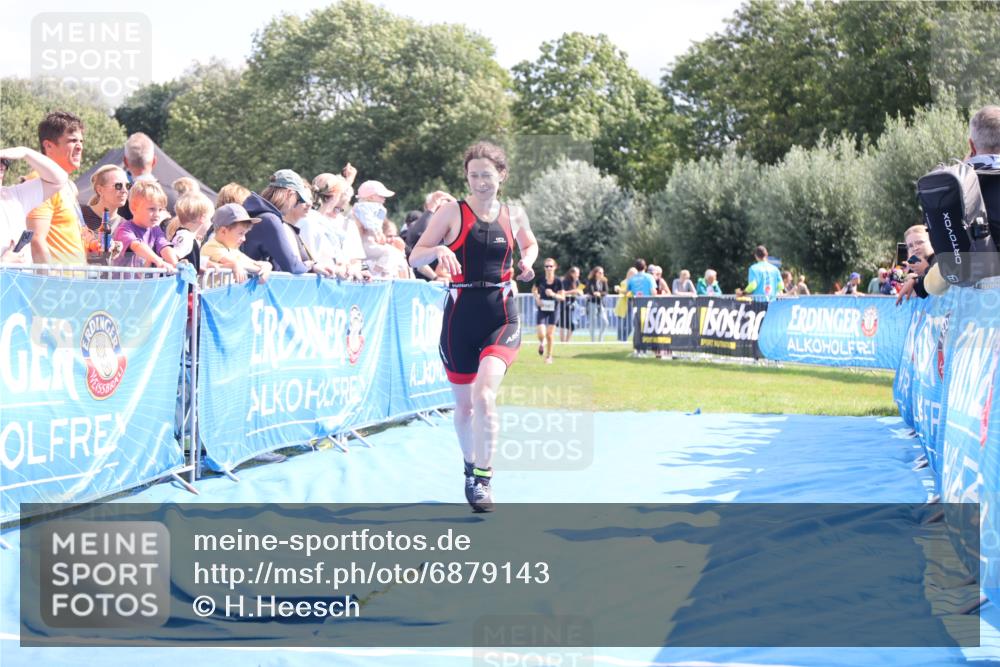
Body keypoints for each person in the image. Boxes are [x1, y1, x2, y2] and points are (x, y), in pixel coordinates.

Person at [409, 141, 537, 513]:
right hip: (459, 316)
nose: (481, 182)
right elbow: (416, 254)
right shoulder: (451, 212)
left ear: (502, 176)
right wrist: (438, 250)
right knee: (463, 408)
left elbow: (530, 245)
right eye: (474, 175)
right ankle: (469, 467)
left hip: (501, 314)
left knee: (484, 396)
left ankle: (483, 477)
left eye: (487, 175)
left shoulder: (514, 214)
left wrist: (527, 261)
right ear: (466, 177)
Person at [25, 111, 87, 265]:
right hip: (56, 284)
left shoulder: (70, 186)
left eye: (81, 141)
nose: (79, 147)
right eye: (72, 140)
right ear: (48, 145)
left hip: (75, 283)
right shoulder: (39, 181)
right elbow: (37, 240)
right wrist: (49, 284)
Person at [243, 169, 333, 275]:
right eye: (298, 200)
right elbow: (293, 266)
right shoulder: (270, 220)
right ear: (290, 194)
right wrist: (309, 265)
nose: (295, 204)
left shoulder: (257, 214)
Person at [1, 146, 67, 264]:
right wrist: (3, 263)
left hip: (22, 281)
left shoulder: (14, 195)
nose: (1, 166)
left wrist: (25, 152)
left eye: (3, 161)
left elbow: (59, 179)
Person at [112, 180, 178, 270]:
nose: (157, 214)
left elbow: (164, 246)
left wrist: (176, 265)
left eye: (160, 210)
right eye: (152, 209)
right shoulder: (124, 229)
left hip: (143, 282)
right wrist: (159, 262)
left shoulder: (155, 230)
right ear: (134, 207)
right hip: (122, 282)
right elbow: (137, 246)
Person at [202, 204, 273, 283]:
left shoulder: (233, 250)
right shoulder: (211, 246)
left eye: (245, 234)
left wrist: (267, 265)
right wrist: (260, 268)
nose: (244, 239)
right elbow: (240, 263)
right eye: (241, 233)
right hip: (211, 294)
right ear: (223, 231)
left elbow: (252, 263)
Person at [352, 180, 409, 279]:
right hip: (362, 245)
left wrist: (379, 233)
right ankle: (376, 274)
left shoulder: (376, 209)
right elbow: (369, 223)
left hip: (368, 243)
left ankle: (381, 273)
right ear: (370, 197)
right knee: (389, 253)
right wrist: (377, 234)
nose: (384, 198)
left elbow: (375, 225)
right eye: (381, 196)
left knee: (394, 253)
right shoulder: (362, 208)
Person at [171, 192, 214, 271]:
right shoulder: (186, 238)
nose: (211, 223)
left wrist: (197, 269)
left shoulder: (185, 236)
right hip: (182, 283)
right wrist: (180, 265)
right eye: (210, 219)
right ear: (202, 218)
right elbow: (172, 256)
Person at [82, 165, 128, 239]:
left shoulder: (126, 226)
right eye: (118, 185)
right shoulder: (80, 215)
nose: (125, 191)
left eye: (127, 185)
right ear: (100, 190)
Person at [533, 258, 564, 363]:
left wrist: (553, 294)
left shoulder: (558, 281)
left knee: (550, 334)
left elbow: (562, 297)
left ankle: (549, 356)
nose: (549, 268)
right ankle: (542, 342)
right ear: (544, 268)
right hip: (542, 308)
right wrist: (537, 299)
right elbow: (534, 290)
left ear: (555, 267)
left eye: (551, 266)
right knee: (541, 333)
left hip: (554, 309)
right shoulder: (540, 280)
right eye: (546, 266)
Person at [585, 266, 610, 342]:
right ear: (596, 273)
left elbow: (606, 292)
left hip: (601, 303)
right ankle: (593, 340)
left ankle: (600, 338)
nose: (602, 274)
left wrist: (599, 293)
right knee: (593, 322)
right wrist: (595, 293)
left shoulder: (604, 281)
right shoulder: (590, 281)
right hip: (592, 303)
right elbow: (591, 291)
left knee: (605, 322)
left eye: (602, 272)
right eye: (600, 272)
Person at [559, 266, 582, 342]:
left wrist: (580, 292)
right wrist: (573, 291)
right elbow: (562, 292)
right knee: (562, 324)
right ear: (572, 273)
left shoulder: (577, 281)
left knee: (572, 324)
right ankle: (562, 342)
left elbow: (580, 291)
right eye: (576, 273)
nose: (578, 275)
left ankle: (567, 341)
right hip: (564, 305)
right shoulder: (565, 281)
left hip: (573, 305)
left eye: (578, 273)